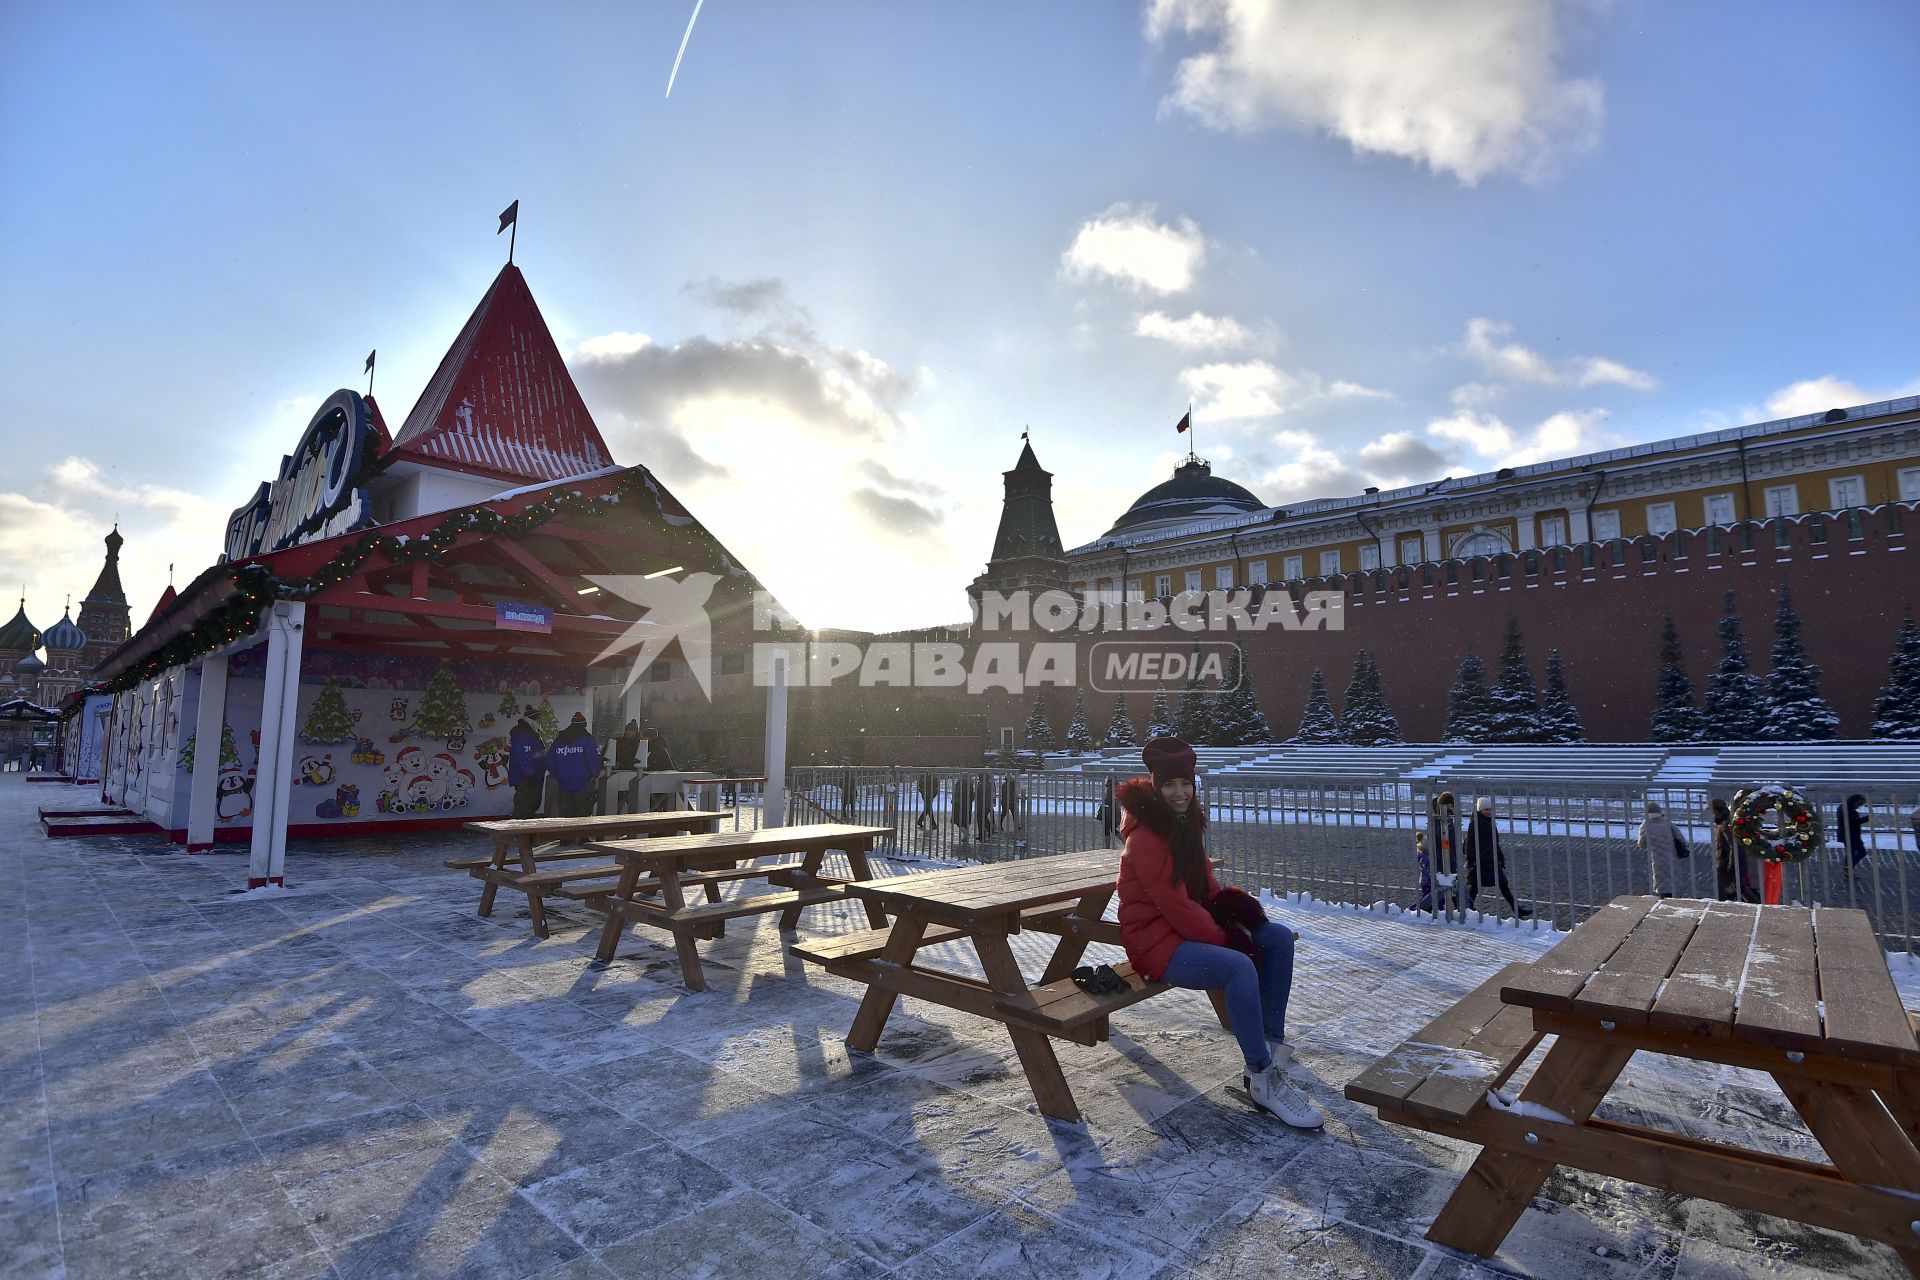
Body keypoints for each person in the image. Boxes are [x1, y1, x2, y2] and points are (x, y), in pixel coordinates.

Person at [1117, 736, 1321, 1129]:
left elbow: (1204, 884)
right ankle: (1261, 1076)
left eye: (1186, 784)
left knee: (1276, 936)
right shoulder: (1146, 837)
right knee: (1238, 967)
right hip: (1154, 941)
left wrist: (1237, 914)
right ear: (1156, 787)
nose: (1179, 793)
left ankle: (1270, 1045)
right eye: (1170, 785)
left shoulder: (1186, 822)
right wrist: (1229, 939)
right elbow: (1174, 906)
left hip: (1186, 928)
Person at [1463, 796, 1529, 918]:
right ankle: (1467, 907)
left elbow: (1495, 843)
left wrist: (1500, 858)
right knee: (1475, 886)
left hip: (1491, 859)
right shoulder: (1475, 823)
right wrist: (1471, 860)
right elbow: (1470, 843)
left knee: (1502, 884)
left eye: (1490, 809)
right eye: (1485, 809)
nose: (1488, 812)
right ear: (1480, 810)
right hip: (1481, 860)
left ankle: (1517, 909)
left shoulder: (1490, 821)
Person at [547, 712, 602, 818]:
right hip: (583, 786)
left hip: (564, 786)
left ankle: (567, 834)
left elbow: (549, 761)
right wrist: (594, 775)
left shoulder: (559, 740)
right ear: (584, 725)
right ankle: (580, 834)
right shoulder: (588, 740)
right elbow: (594, 760)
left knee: (566, 819)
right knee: (581, 820)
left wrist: (559, 776)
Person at [1636, 799, 1689, 898]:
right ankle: (1672, 897)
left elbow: (1642, 844)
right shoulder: (1668, 823)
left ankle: (1663, 898)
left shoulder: (1645, 825)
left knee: (1661, 880)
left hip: (1657, 858)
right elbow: (1681, 839)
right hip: (1672, 857)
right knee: (1672, 878)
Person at [1422, 791, 1464, 915]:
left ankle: (1463, 910)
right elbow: (1441, 837)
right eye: (1451, 805)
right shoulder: (1437, 819)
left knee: (1450, 886)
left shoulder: (1448, 817)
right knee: (1445, 887)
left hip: (1450, 857)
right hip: (1442, 858)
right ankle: (1419, 909)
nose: (1454, 808)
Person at [1710, 797, 1757, 902]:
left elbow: (1734, 846)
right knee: (1739, 888)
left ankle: (1721, 911)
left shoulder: (1725, 824)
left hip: (1727, 864)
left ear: (1716, 810)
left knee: (1726, 891)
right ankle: (1757, 905)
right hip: (1728, 863)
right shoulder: (1723, 822)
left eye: (1711, 811)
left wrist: (1731, 867)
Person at [507, 712, 546, 820]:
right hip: (526, 778)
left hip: (532, 777)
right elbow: (521, 756)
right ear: (532, 720)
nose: (540, 722)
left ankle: (525, 833)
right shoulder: (522, 734)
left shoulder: (529, 733)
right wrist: (529, 774)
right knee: (523, 808)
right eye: (539, 719)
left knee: (529, 807)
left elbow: (530, 753)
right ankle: (518, 834)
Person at [1836, 794, 1870, 874]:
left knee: (1850, 853)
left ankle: (1848, 871)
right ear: (1855, 801)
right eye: (1859, 804)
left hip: (1846, 834)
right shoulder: (1848, 809)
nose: (1859, 806)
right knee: (1862, 852)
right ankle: (1848, 867)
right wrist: (1867, 818)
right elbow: (1853, 822)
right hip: (1851, 835)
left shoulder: (1844, 807)